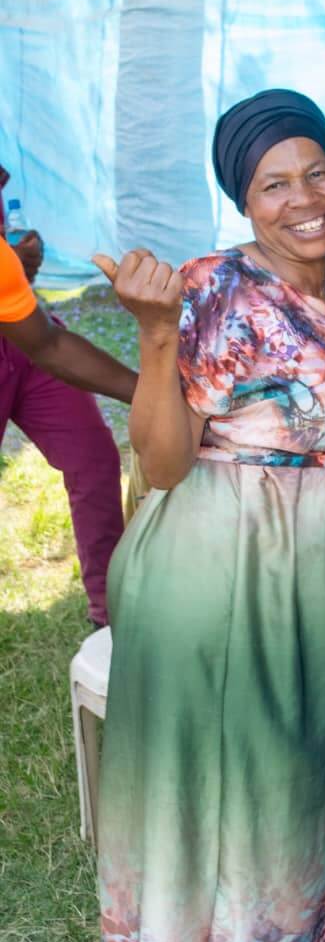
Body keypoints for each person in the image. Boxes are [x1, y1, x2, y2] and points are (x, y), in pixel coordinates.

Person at [92, 90, 325, 942]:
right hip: (220, 559)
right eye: (272, 185)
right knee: (197, 791)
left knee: (288, 764)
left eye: (316, 172)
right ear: (242, 201)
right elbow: (165, 462)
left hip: (317, 565)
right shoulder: (213, 288)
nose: (303, 199)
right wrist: (155, 332)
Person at [0, 167, 134, 625]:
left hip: (24, 335)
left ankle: (111, 614)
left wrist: (154, 393)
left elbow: (48, 346)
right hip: (29, 336)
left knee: (92, 458)